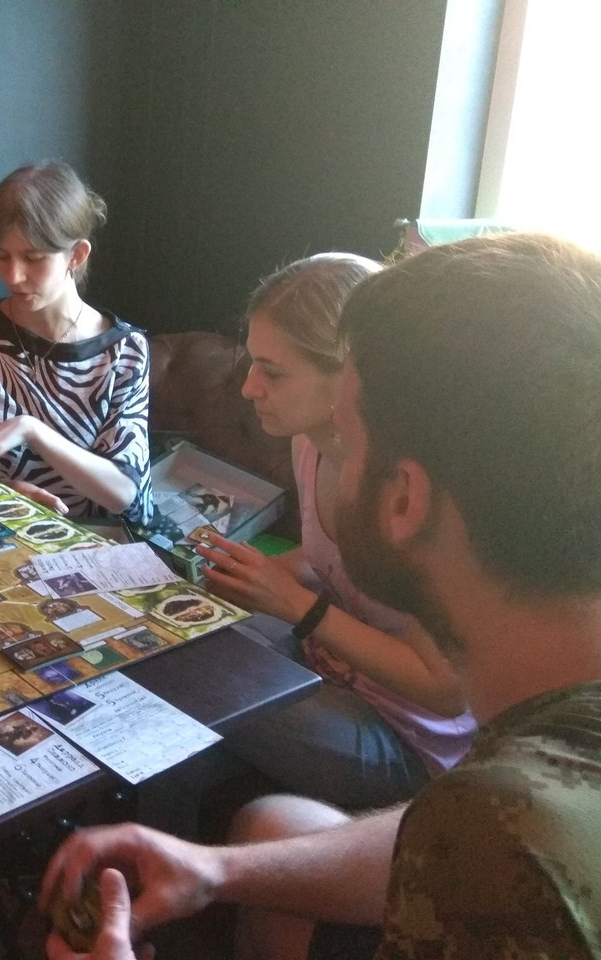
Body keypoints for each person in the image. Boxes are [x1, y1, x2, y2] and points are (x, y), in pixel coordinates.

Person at [39, 233, 601, 960]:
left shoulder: (504, 840)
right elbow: (433, 833)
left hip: (400, 735)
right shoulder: (518, 788)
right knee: (271, 814)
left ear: (403, 499)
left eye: (346, 431)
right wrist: (218, 869)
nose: (329, 454)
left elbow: (477, 828)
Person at [198, 253, 475, 809]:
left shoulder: (410, 494)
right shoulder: (310, 442)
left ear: (349, 377)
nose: (249, 388)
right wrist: (240, 574)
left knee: (195, 683)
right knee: (175, 640)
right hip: (327, 664)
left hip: (408, 739)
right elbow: (329, 558)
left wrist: (297, 606)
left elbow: (444, 690)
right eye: (253, 364)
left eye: (273, 372)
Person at [0, 162, 153, 525]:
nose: (13, 276)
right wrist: (4, 493)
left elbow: (123, 495)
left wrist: (32, 430)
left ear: (77, 255)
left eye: (33, 258)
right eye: (1, 256)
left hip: (95, 541)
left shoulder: (124, 352)